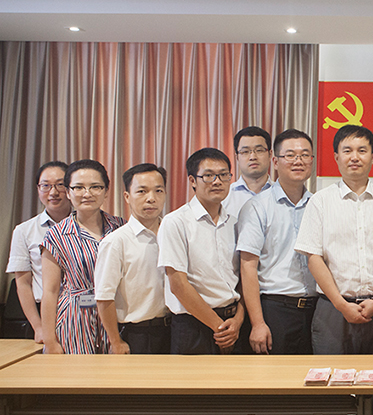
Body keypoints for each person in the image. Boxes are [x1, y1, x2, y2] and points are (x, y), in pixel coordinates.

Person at [295, 125, 373, 354]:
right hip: (332, 310)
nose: (355, 157)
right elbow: (313, 257)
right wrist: (341, 304)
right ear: (336, 157)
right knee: (331, 374)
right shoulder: (320, 201)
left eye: (362, 150)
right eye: (347, 151)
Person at [237, 129, 317, 354]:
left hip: (316, 309)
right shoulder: (257, 206)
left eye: (305, 155)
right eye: (290, 155)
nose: (298, 161)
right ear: (275, 161)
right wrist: (257, 323)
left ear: (312, 160)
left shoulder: (318, 205)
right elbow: (248, 266)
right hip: (275, 310)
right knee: (273, 375)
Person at [158, 148, 244, 354]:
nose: (217, 181)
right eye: (208, 176)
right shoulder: (176, 222)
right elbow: (178, 285)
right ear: (192, 181)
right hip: (194, 326)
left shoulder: (235, 223)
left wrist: (238, 320)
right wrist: (219, 327)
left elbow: (242, 278)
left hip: (233, 324)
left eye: (223, 175)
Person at [40, 160, 125, 354]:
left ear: (106, 190)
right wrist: (50, 341)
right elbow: (50, 291)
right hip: (73, 320)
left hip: (115, 317)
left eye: (95, 187)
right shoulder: (56, 235)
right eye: (78, 187)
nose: (87, 194)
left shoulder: (121, 228)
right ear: (68, 192)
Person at [95, 163, 171, 354]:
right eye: (142, 191)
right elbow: (104, 298)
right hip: (138, 333)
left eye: (158, 191)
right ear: (127, 196)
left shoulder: (172, 235)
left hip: (174, 329)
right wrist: (116, 342)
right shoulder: (116, 241)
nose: (151, 198)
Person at [6, 161, 71, 342]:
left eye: (60, 185)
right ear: (38, 189)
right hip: (44, 312)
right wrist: (39, 327)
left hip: (84, 311)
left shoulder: (87, 226)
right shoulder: (24, 231)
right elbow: (23, 283)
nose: (53, 192)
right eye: (46, 185)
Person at [222, 126, 273, 219]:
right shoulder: (224, 197)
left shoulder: (282, 194)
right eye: (245, 151)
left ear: (270, 155)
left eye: (259, 150)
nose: (253, 157)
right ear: (237, 157)